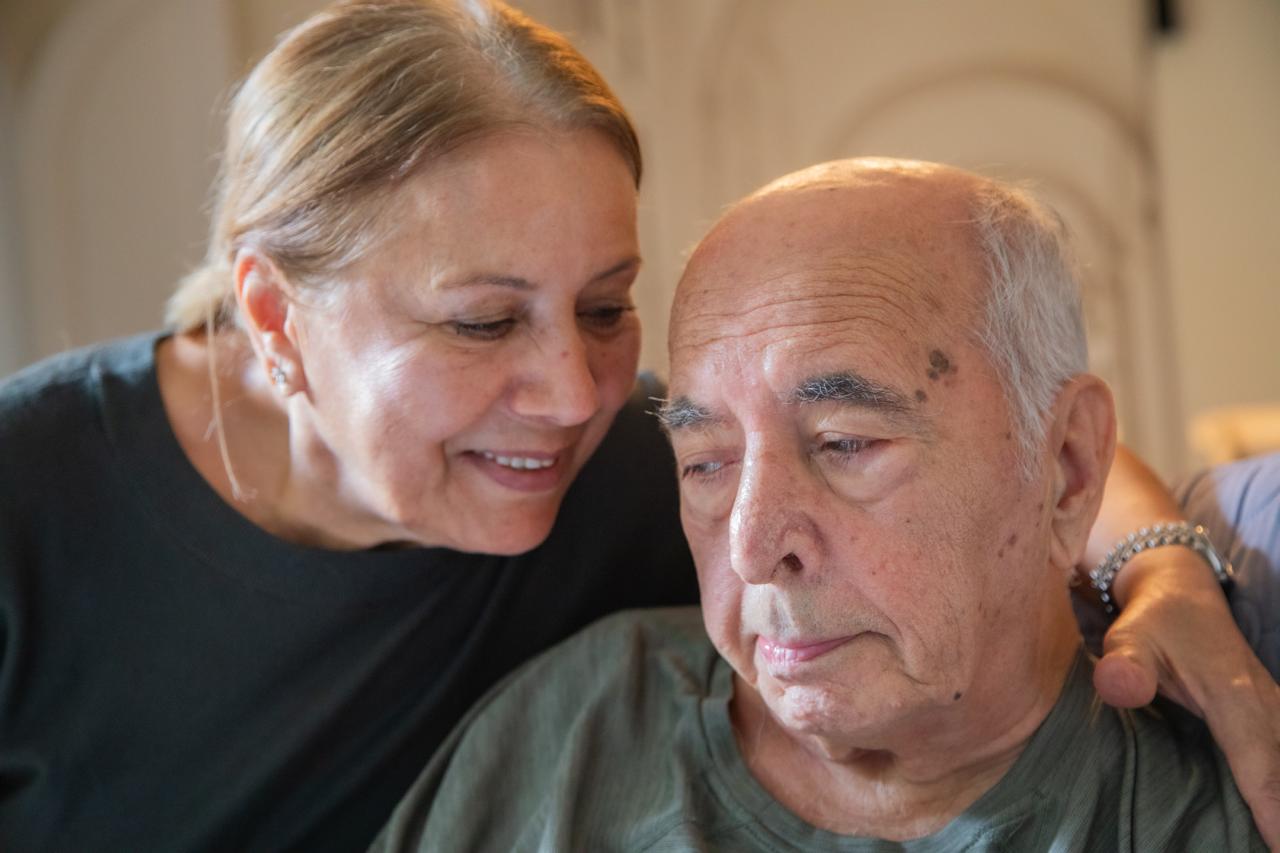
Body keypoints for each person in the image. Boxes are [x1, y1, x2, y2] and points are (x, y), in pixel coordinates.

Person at [0, 1, 1271, 849]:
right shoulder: (29, 497)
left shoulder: (608, 468)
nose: (575, 392)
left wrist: (1157, 558)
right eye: (482, 322)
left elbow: (991, 436)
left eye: (606, 306)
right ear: (276, 316)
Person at [376, 159, 1277, 851]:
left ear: (1068, 466)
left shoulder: (1219, 800)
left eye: (845, 443)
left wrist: (1166, 564)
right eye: (706, 462)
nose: (754, 545)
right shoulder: (567, 734)